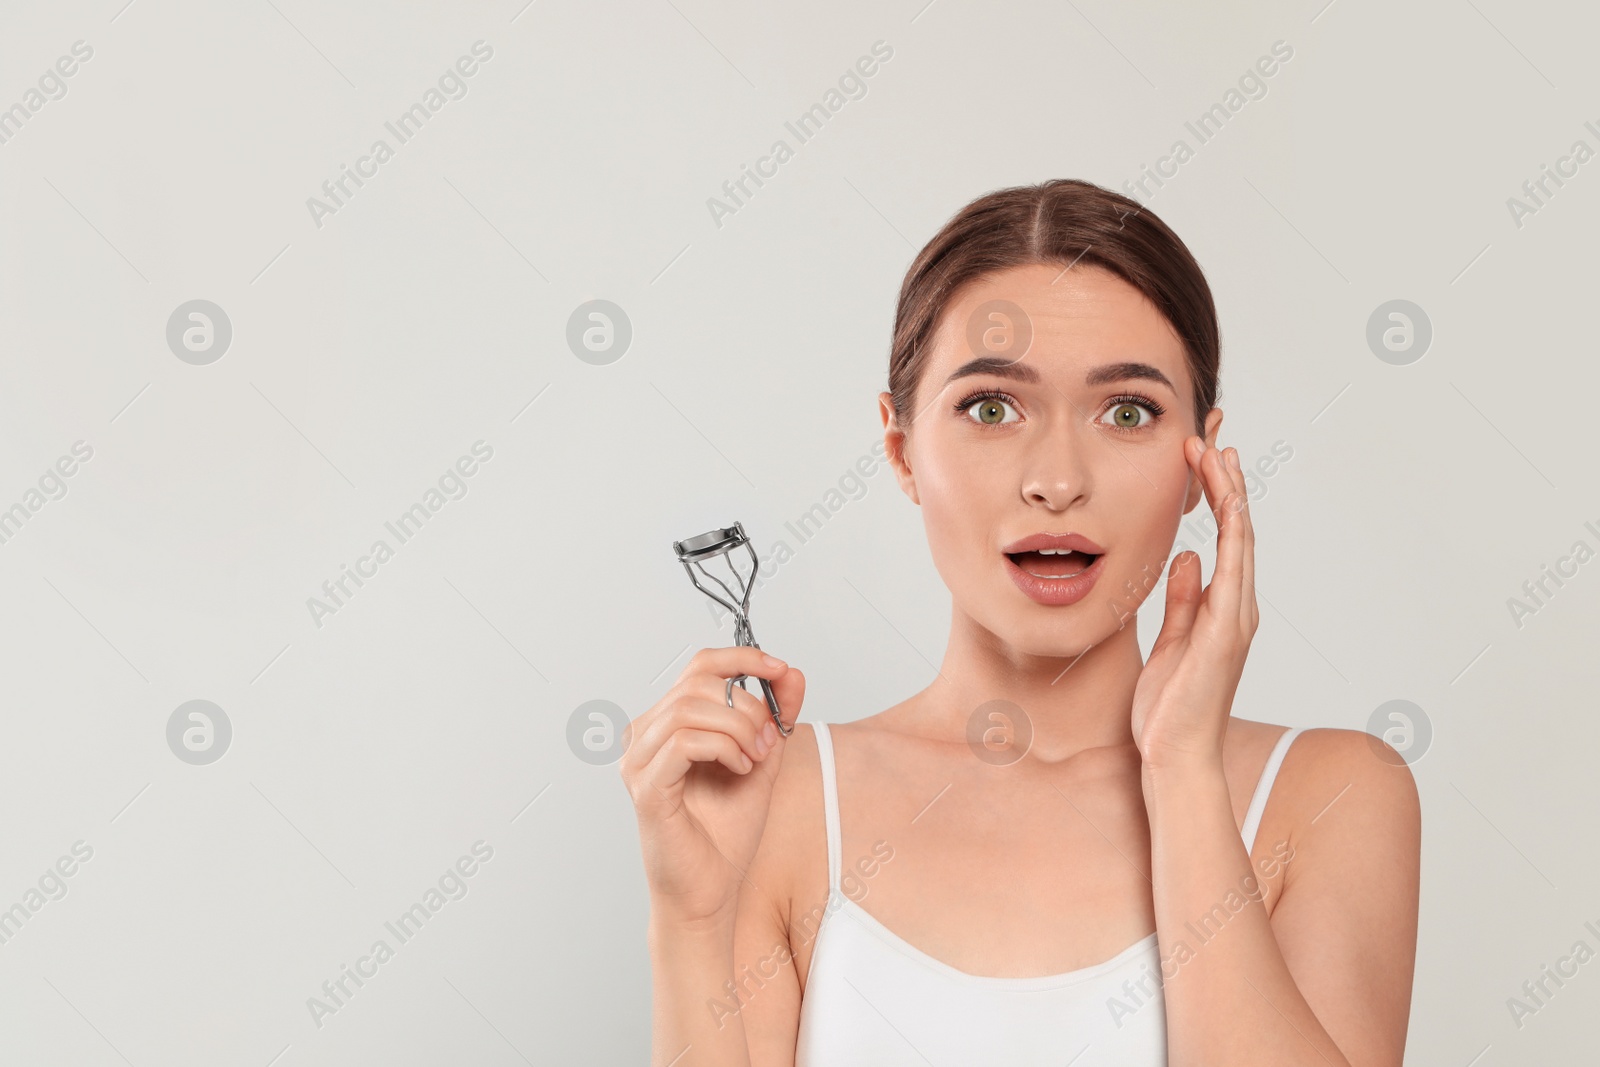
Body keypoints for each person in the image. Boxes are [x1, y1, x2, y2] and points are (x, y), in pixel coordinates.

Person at [620, 178, 1420, 1065]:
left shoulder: (1337, 794)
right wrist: (689, 920)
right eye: (992, 407)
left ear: (1202, 462)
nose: (1057, 479)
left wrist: (1184, 772)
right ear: (902, 450)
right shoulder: (782, 797)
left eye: (1128, 412)